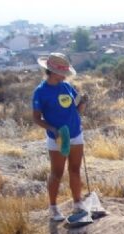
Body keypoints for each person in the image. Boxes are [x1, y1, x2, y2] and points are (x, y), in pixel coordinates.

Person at [32, 53, 88, 222]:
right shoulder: (41, 92)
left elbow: (77, 110)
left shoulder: (67, 87)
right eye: (62, 72)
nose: (65, 76)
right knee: (57, 173)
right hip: (57, 138)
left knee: (75, 170)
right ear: (52, 71)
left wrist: (83, 102)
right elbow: (36, 118)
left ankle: (78, 203)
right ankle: (53, 207)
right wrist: (51, 128)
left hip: (75, 134)